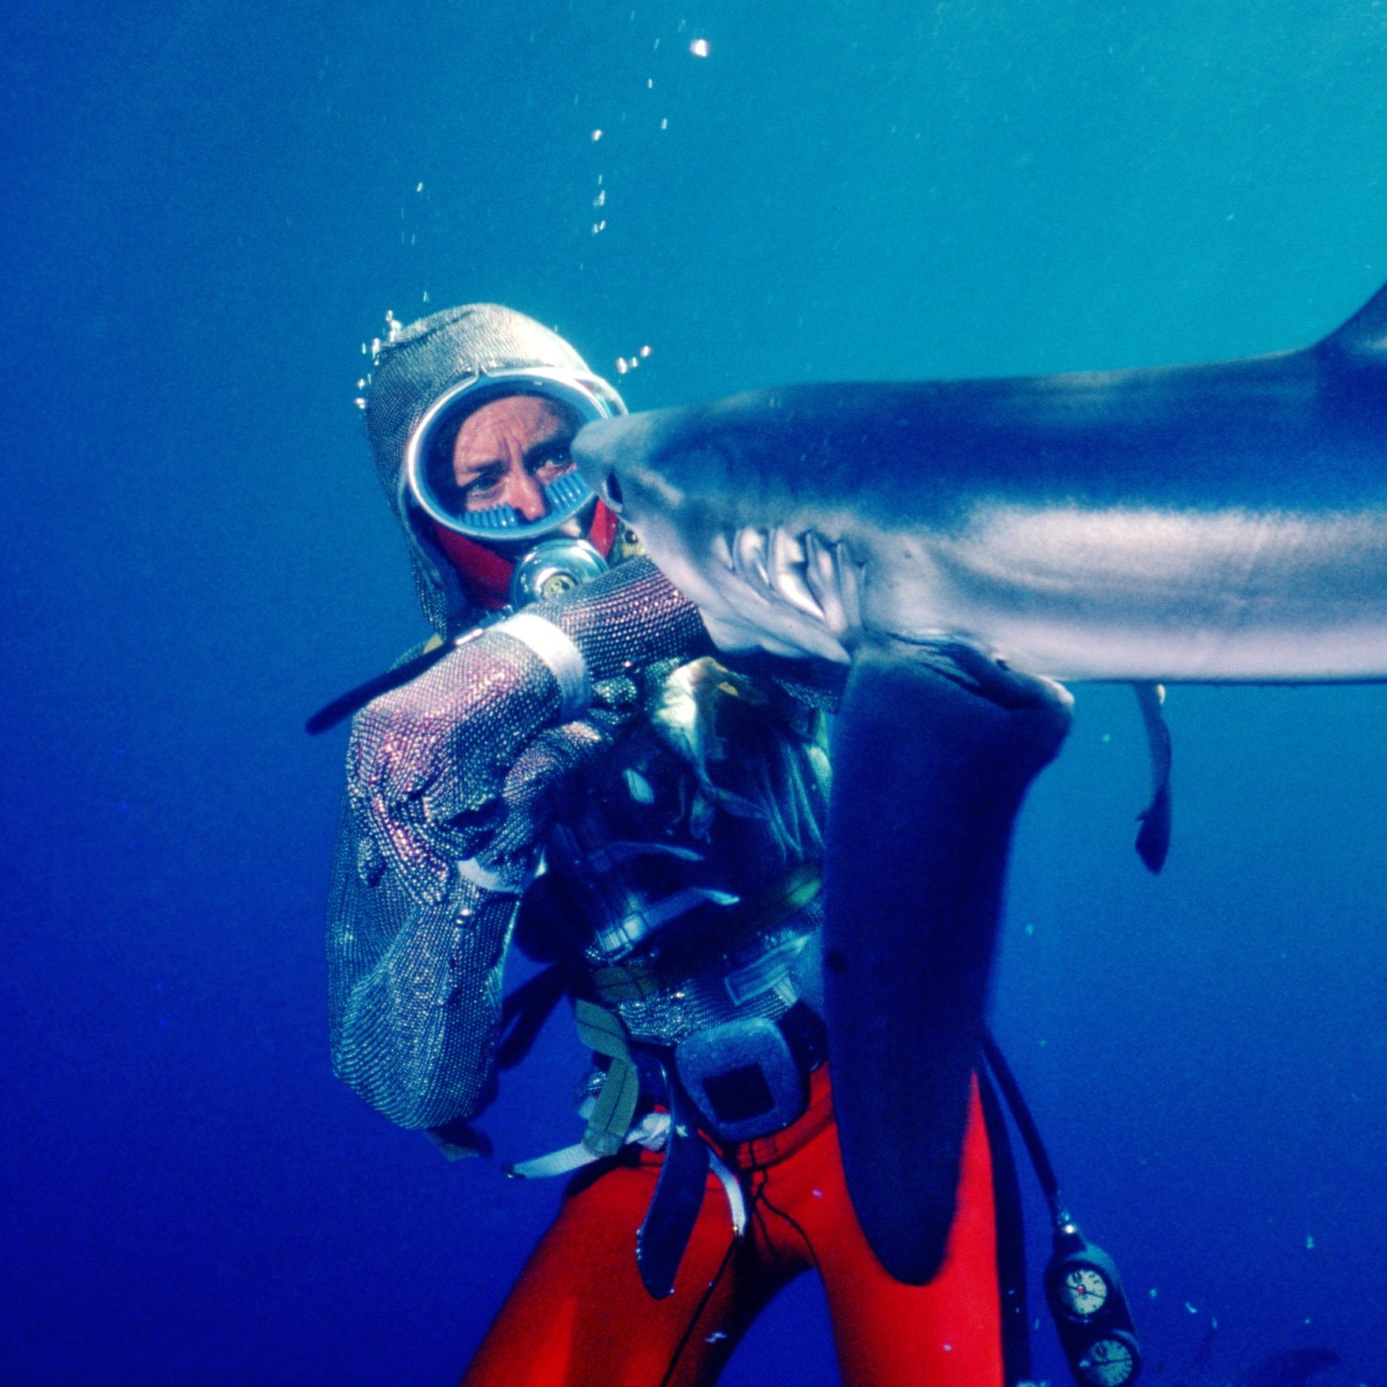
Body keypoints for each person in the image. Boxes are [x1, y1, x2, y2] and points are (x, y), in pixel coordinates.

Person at [327, 304, 1033, 1387]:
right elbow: (411, 1082)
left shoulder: (744, 563)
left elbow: (889, 599)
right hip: (663, 1143)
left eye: (555, 455)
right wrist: (475, 860)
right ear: (426, 521)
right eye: (476, 484)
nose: (527, 502)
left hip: (877, 1093)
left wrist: (556, 647)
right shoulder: (425, 735)